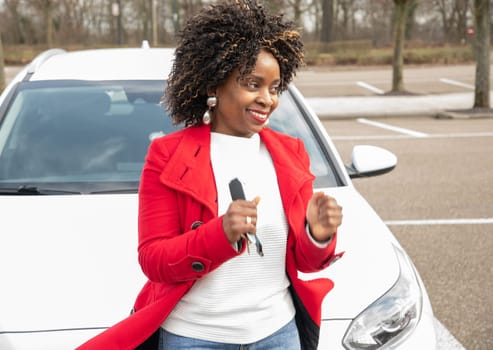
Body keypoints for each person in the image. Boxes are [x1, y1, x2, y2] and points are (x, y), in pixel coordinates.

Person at [77, 1, 342, 349]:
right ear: (214, 86)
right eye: (253, 84)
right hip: (195, 337)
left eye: (275, 88)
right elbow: (154, 260)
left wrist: (317, 236)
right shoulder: (168, 155)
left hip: (278, 334)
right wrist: (222, 234)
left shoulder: (290, 152)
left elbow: (304, 261)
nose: (268, 99)